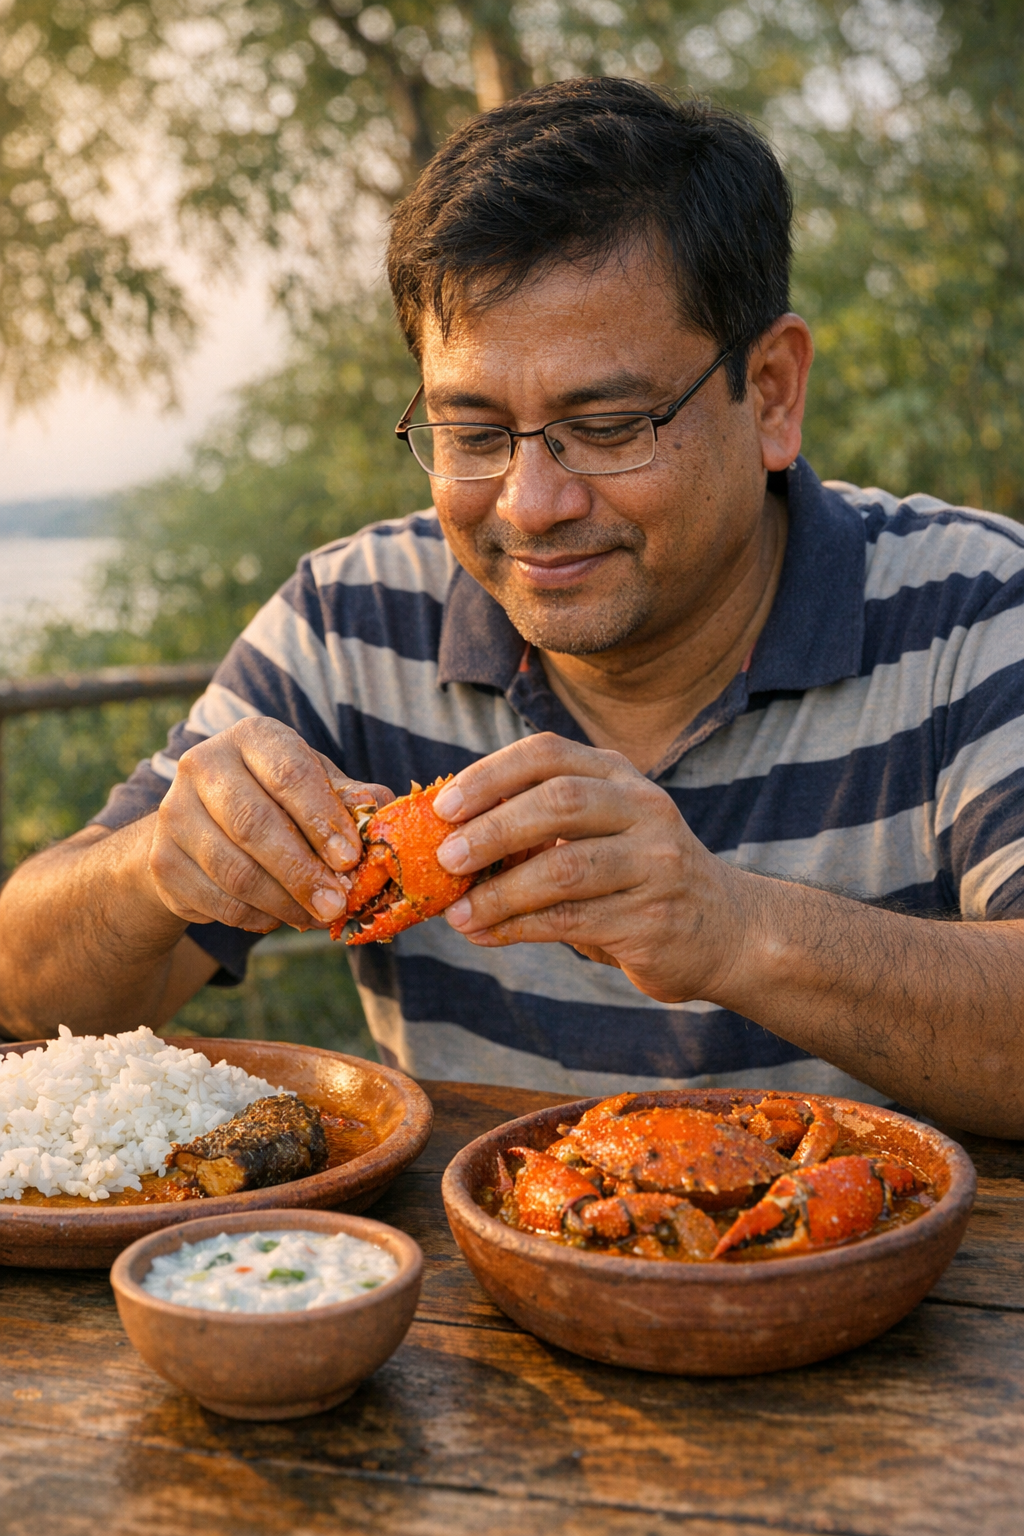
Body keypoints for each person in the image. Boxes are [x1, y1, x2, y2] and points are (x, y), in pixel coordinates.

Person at [1, 79, 1021, 1138]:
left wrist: (732, 930)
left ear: (769, 393)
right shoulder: (353, 618)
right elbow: (28, 991)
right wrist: (155, 869)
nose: (533, 507)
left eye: (612, 423)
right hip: (466, 1293)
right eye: (474, 434)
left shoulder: (980, 608)